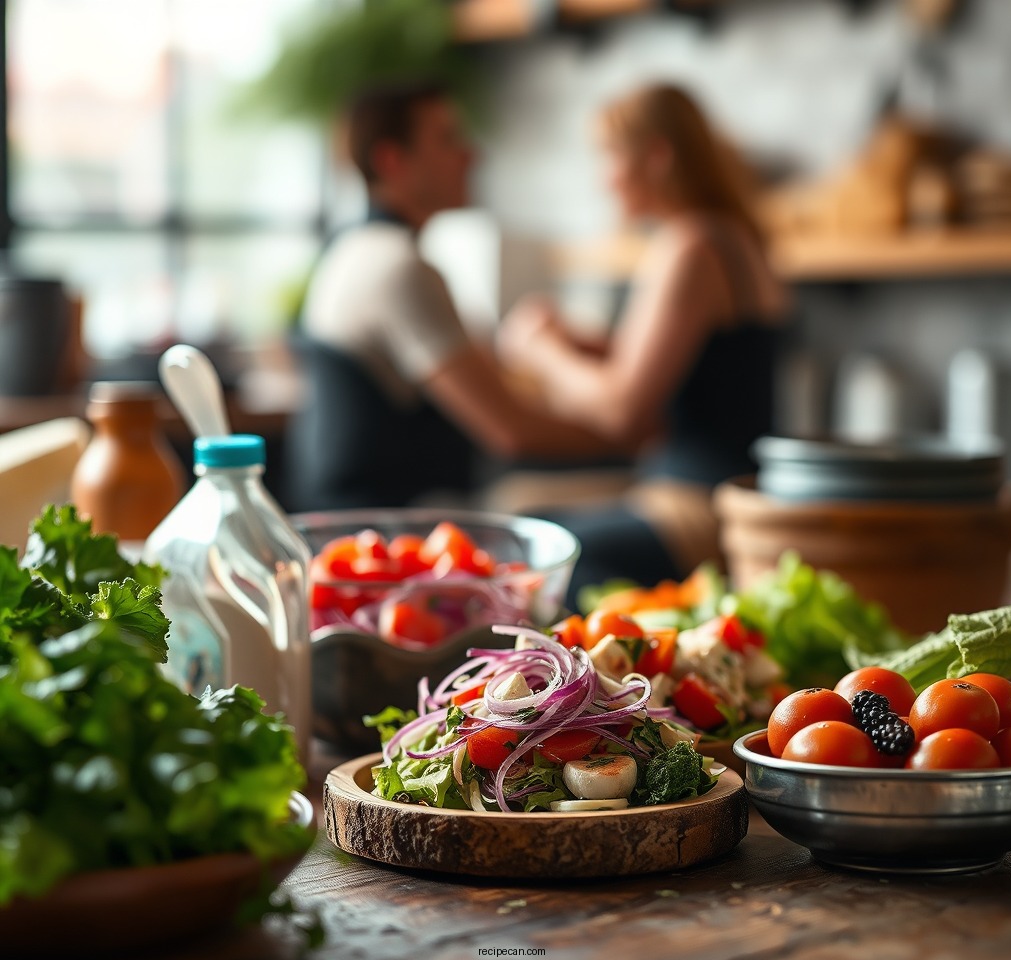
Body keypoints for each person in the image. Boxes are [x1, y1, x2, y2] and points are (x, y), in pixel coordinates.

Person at [496, 83, 789, 597]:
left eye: (610, 157)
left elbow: (623, 411)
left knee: (529, 555)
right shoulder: (732, 236)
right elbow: (680, 362)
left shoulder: (690, 248)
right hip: (725, 495)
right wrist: (580, 343)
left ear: (656, 156)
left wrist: (541, 349)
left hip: (696, 509)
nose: (604, 180)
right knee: (522, 510)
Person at [287, 81, 621, 511]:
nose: (472, 154)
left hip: (357, 510)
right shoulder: (399, 267)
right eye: (447, 139)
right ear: (392, 161)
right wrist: (630, 434)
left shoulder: (352, 249)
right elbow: (510, 431)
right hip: (393, 525)